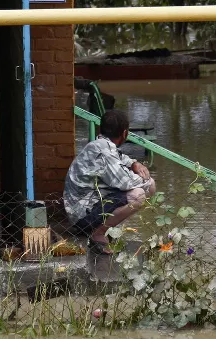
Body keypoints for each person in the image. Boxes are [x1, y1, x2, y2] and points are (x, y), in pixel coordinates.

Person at [63, 109, 155, 255]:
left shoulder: (100, 144)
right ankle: (98, 233)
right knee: (139, 195)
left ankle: (105, 229)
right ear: (125, 133)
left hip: (82, 210)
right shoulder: (103, 151)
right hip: (82, 217)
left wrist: (134, 163)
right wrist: (147, 180)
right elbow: (126, 183)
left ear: (101, 129)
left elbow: (120, 158)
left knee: (142, 188)